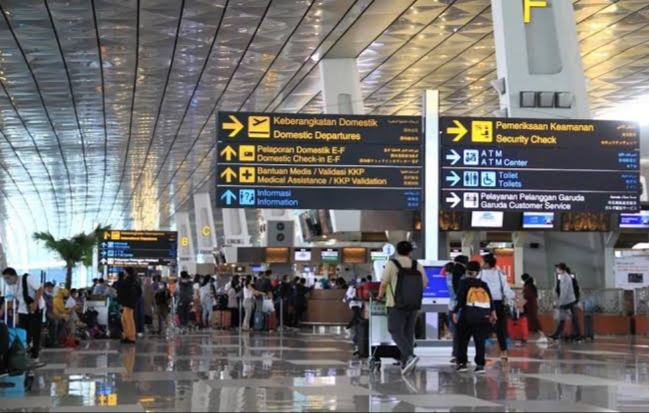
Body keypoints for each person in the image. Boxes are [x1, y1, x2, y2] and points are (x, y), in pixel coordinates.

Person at [378, 241, 429, 376]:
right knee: (408, 332)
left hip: (396, 304)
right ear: (410, 252)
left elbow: (383, 284)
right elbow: (425, 283)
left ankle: (409, 356)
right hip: (413, 304)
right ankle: (406, 361)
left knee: (394, 330)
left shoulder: (392, 264)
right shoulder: (416, 264)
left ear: (397, 251)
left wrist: (379, 296)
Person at [453, 261, 497, 374]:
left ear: (467, 271)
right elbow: (490, 300)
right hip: (482, 316)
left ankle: (462, 364)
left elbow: (460, 299)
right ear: (478, 272)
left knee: (463, 340)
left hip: (467, 316)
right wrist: (493, 313)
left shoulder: (463, 283)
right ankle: (480, 365)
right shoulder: (483, 284)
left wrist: (454, 312)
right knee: (480, 341)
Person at [2, 268, 45, 364]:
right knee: (24, 332)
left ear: (14, 276)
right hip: (23, 310)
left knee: (35, 332)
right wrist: (3, 310)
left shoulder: (27, 278)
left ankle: (35, 355)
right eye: (5, 279)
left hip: (35, 308)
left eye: (8, 278)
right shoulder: (11, 287)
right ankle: (26, 352)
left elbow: (40, 289)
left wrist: (35, 303)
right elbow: (11, 301)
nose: (7, 281)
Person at [478, 253, 514, 361]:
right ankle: (504, 352)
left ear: (487, 264)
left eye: (482, 261)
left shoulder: (480, 274)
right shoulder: (500, 274)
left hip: (484, 303)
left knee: (481, 328)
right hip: (497, 303)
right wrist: (514, 297)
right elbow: (506, 289)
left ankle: (481, 352)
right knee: (500, 329)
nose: (481, 263)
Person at [550, 263, 582, 341]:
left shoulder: (565, 278)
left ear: (562, 269)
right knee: (563, 317)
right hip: (568, 300)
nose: (557, 270)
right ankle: (557, 334)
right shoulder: (564, 276)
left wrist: (559, 303)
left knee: (570, 318)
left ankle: (577, 334)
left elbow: (564, 291)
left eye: (558, 268)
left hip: (568, 301)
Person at [117, 267, 142, 344]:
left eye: (125, 271)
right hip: (129, 302)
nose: (124, 273)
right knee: (124, 319)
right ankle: (127, 335)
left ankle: (131, 337)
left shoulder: (128, 281)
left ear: (127, 272)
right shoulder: (135, 281)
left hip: (128, 302)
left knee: (128, 319)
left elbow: (122, 291)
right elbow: (140, 292)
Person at [522, 273, 544, 337]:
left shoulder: (528, 287)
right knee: (533, 320)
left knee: (533, 320)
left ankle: (541, 333)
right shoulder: (532, 287)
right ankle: (539, 333)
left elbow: (526, 297)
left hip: (530, 306)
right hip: (533, 306)